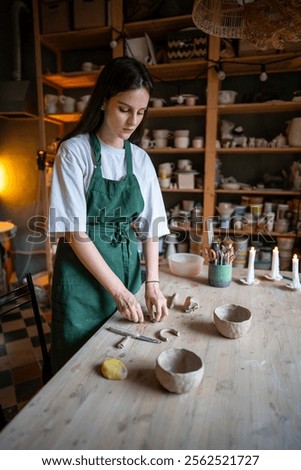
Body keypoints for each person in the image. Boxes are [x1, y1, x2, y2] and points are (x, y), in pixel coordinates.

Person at [48, 56, 170, 373]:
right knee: (76, 368)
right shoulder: (74, 152)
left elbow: (151, 227)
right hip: (81, 280)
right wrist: (118, 292)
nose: (133, 121)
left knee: (122, 361)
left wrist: (152, 283)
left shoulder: (140, 160)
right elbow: (75, 232)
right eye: (124, 109)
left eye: (140, 112)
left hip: (128, 273)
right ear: (103, 102)